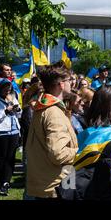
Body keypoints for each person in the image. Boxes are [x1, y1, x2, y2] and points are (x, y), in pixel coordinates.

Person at [25, 65, 78, 199]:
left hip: (48, 182)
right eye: (69, 80)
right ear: (61, 84)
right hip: (57, 186)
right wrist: (80, 151)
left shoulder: (45, 107)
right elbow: (58, 154)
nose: (72, 82)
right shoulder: (53, 112)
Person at [0, 78, 22, 196]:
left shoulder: (12, 97)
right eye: (5, 88)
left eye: (9, 87)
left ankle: (6, 182)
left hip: (14, 131)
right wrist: (5, 111)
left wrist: (18, 109)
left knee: (10, 158)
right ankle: (2, 180)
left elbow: (19, 114)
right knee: (1, 158)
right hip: (1, 132)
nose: (8, 90)